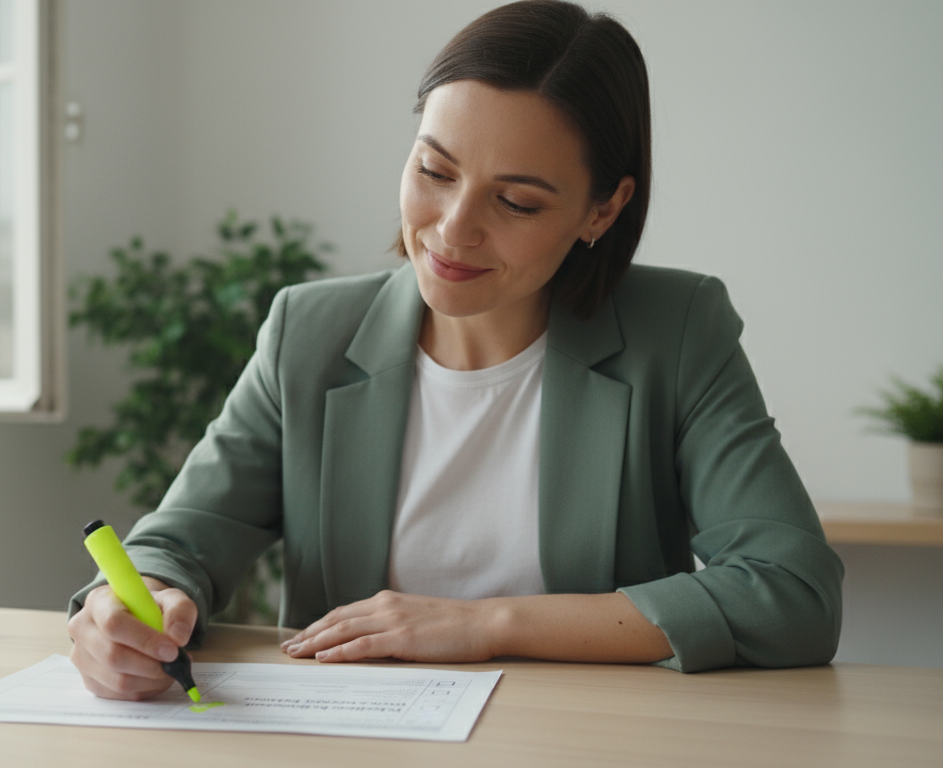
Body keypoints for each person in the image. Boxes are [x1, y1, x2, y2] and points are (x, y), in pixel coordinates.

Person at [67, 0, 843, 701]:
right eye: (434, 170)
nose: (452, 228)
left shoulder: (675, 331)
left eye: (516, 201)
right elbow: (179, 539)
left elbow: (792, 593)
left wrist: (488, 624)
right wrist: (133, 609)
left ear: (603, 208)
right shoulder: (309, 333)